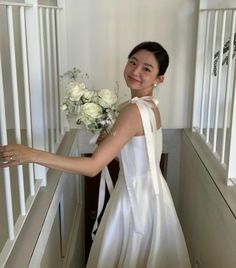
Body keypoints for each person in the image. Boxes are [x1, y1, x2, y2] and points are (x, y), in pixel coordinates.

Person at [0, 41, 191, 268]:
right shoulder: (146, 105)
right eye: (133, 62)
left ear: (160, 79)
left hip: (135, 199)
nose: (135, 71)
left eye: (147, 69)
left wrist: (31, 154)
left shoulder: (132, 110)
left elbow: (93, 167)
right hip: (152, 194)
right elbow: (134, 151)